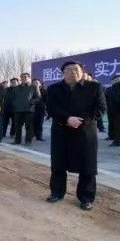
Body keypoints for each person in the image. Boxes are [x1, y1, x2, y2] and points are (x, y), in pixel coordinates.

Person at [46, 61, 106, 211]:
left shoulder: (94, 87)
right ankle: (57, 192)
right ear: (63, 73)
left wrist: (82, 120)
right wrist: (67, 119)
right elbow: (51, 108)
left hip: (85, 132)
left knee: (87, 166)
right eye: (69, 70)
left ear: (82, 71)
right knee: (58, 164)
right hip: (61, 130)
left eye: (76, 69)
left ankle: (86, 197)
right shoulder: (54, 89)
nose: (73, 72)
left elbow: (100, 108)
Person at [11, 72, 39, 145]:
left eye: (26, 77)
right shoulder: (16, 88)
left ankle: (28, 141)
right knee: (17, 126)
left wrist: (31, 102)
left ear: (29, 78)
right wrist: (15, 104)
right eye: (22, 77)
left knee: (28, 126)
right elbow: (13, 98)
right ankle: (17, 140)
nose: (24, 78)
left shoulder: (33, 87)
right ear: (20, 78)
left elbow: (38, 97)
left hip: (29, 110)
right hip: (18, 110)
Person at [107, 74, 120, 146]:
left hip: (116, 109)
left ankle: (117, 141)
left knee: (117, 125)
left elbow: (116, 99)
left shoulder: (115, 86)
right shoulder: (113, 87)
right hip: (114, 109)